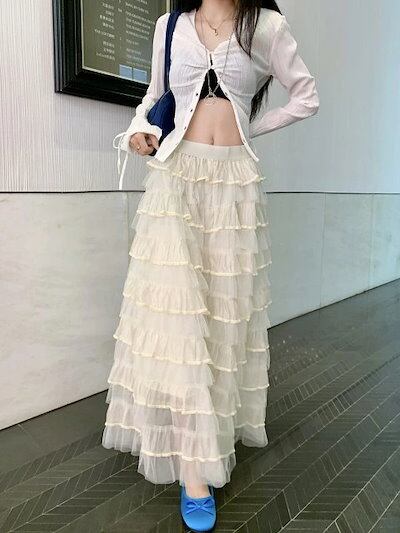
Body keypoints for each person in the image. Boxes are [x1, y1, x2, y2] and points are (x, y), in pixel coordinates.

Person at [103, 1, 319, 530]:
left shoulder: (266, 27)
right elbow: (154, 96)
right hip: (174, 180)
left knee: (222, 321)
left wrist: (248, 128)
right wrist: (141, 128)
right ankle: (193, 471)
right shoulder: (170, 26)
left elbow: (306, 97)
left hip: (234, 188)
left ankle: (206, 441)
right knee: (175, 322)